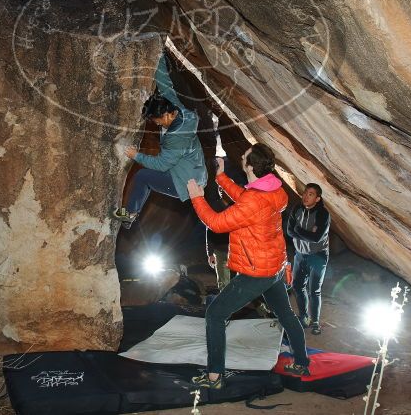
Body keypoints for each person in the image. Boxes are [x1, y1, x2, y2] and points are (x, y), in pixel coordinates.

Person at [185, 144, 310, 389]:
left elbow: (217, 223)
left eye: (244, 156)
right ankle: (302, 362)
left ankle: (214, 377)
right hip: (274, 267)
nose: (241, 156)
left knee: (215, 314)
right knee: (285, 314)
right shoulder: (274, 188)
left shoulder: (255, 199)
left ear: (250, 166)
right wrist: (221, 177)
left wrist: (196, 198)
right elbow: (246, 199)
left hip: (257, 272)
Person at [112, 53, 207, 229]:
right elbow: (165, 85)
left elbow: (162, 165)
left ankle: (130, 214)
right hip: (194, 170)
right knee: (153, 168)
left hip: (186, 183)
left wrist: (136, 155)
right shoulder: (177, 109)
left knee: (143, 177)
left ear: (166, 114)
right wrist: (158, 54)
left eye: (156, 120)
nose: (155, 123)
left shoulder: (176, 138)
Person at [286, 183, 331, 335]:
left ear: (317, 199)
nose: (305, 196)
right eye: (305, 192)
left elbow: (317, 237)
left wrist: (298, 230)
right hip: (300, 254)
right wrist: (304, 233)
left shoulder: (323, 214)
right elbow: (289, 231)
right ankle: (303, 316)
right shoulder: (297, 209)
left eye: (310, 194)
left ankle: (315, 321)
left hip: (317, 255)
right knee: (297, 287)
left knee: (314, 290)